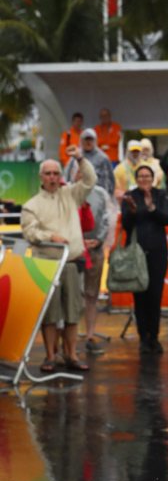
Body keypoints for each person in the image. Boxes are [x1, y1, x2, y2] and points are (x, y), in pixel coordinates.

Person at [20, 149, 96, 373]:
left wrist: (80, 159)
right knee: (51, 314)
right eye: (48, 173)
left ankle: (71, 354)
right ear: (41, 177)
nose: (53, 177)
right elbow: (29, 232)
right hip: (46, 264)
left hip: (71, 262)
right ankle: (50, 356)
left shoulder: (70, 194)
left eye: (56, 173)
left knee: (73, 312)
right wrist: (50, 237)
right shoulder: (31, 205)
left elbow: (91, 180)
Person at [121, 164, 168, 353]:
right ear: (136, 179)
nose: (144, 179)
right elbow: (126, 224)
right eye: (141, 176)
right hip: (137, 252)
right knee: (140, 295)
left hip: (158, 252)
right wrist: (134, 212)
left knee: (155, 295)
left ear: (153, 179)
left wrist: (152, 207)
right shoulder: (130, 196)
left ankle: (155, 336)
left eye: (147, 176)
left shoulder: (161, 195)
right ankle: (143, 337)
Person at [78, 174, 112, 352]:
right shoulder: (69, 192)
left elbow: (107, 220)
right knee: (73, 296)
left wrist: (98, 240)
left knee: (92, 294)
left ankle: (90, 335)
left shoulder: (101, 194)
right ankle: (69, 339)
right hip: (74, 250)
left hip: (95, 250)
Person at [65, 128, 115, 196]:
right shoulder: (75, 156)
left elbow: (110, 180)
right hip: (77, 194)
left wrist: (107, 196)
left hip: (97, 194)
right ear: (81, 141)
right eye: (86, 139)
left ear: (95, 141)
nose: (88, 142)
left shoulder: (103, 158)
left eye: (91, 139)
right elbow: (67, 176)